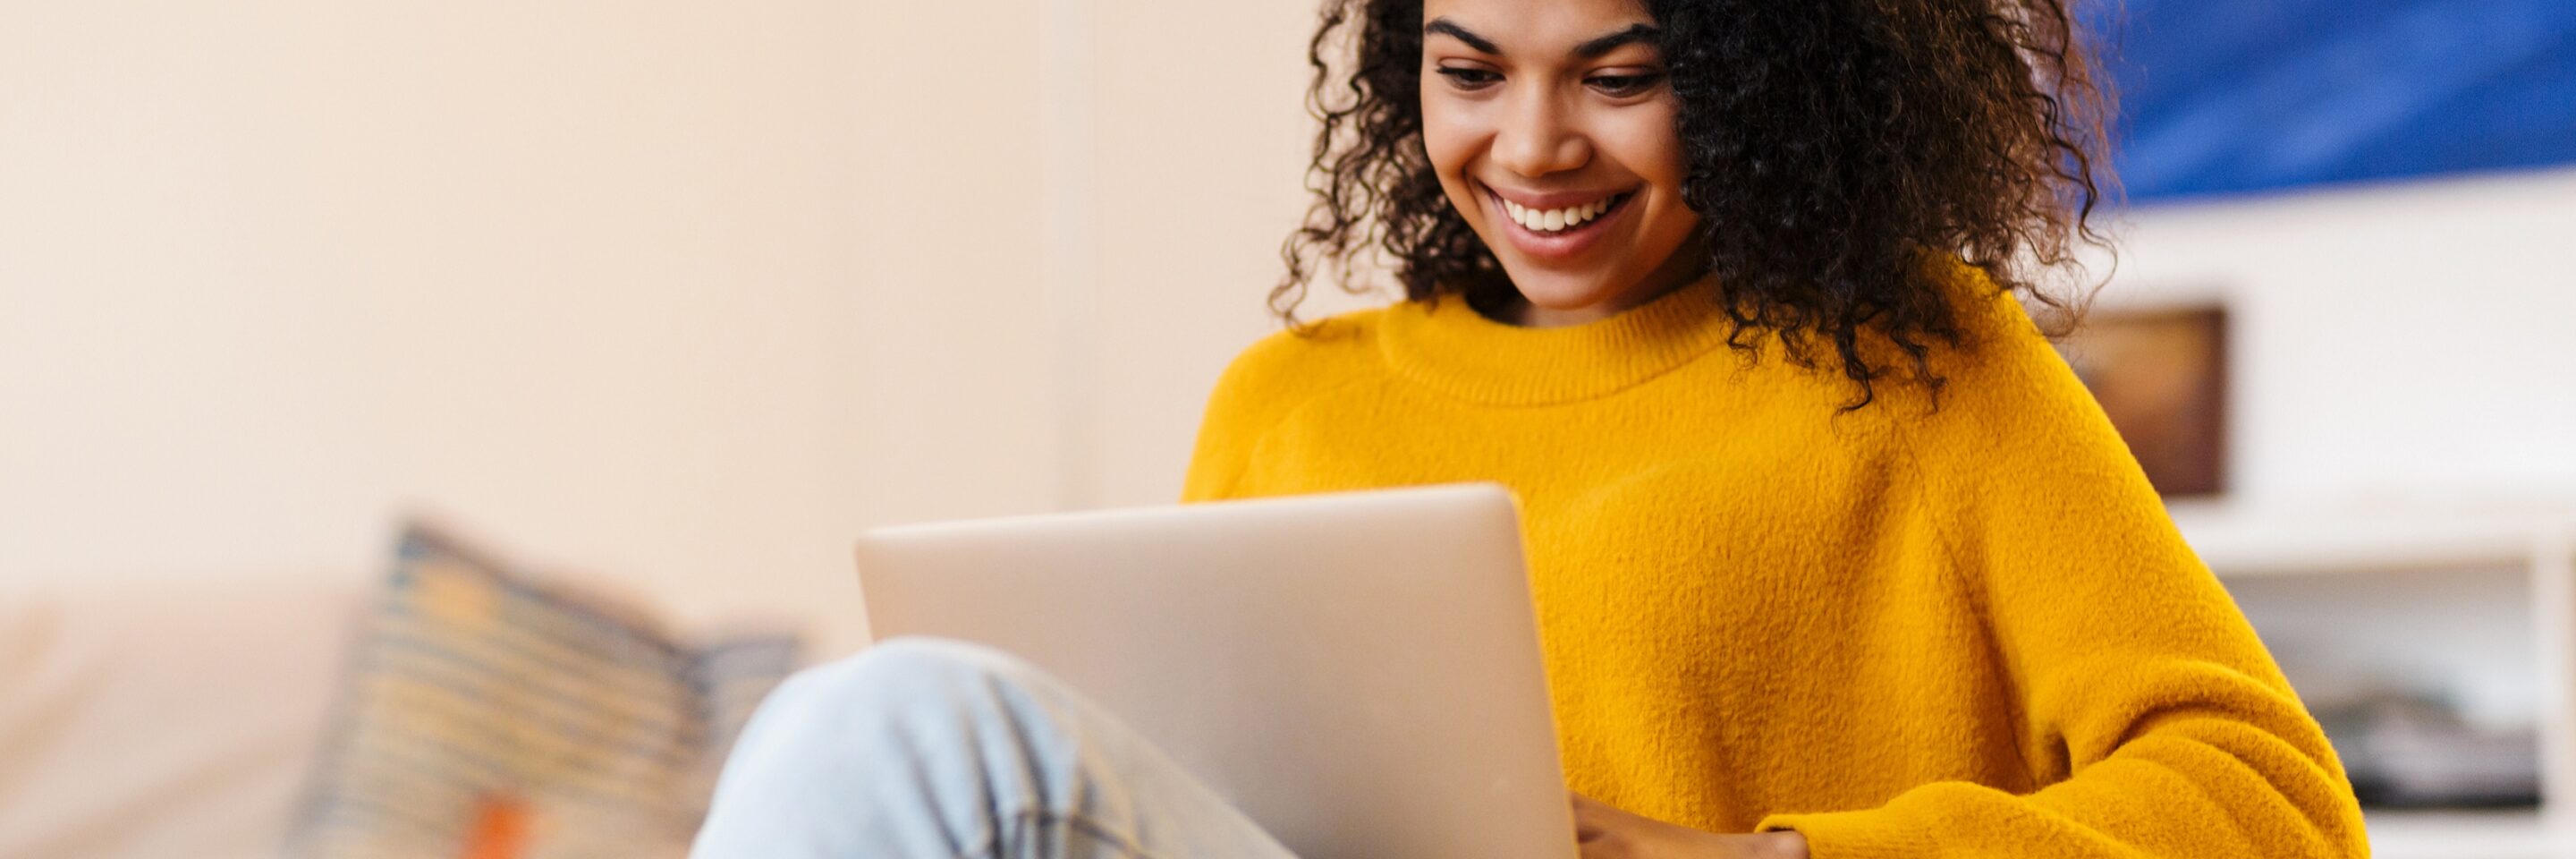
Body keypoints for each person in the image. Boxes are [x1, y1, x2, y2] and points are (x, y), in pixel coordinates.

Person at [692, 0, 2373, 855]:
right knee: (880, 732)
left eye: (1618, 73)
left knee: (903, 724)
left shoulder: (1921, 362)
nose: (1534, 145)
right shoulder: (1287, 402)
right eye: (1472, 71)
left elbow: (2281, 809)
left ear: (1756, 72)